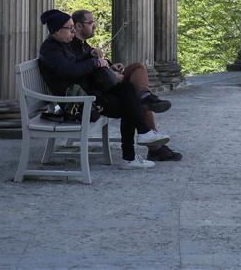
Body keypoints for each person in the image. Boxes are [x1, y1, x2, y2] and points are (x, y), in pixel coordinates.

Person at [38, 9, 168, 169]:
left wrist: (90, 55)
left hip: (86, 93)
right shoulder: (51, 50)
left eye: (73, 28)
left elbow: (74, 62)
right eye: (70, 28)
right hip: (77, 103)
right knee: (129, 103)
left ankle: (142, 135)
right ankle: (133, 151)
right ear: (56, 30)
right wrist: (95, 62)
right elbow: (69, 71)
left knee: (128, 90)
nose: (72, 31)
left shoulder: (59, 45)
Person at [70, 9, 182, 162]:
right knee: (137, 95)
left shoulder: (84, 45)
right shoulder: (73, 47)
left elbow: (94, 65)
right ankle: (154, 147)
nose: (94, 25)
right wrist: (109, 72)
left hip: (106, 82)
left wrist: (111, 67)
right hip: (102, 89)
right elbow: (85, 71)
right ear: (78, 26)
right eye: (90, 23)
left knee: (138, 70)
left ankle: (145, 97)